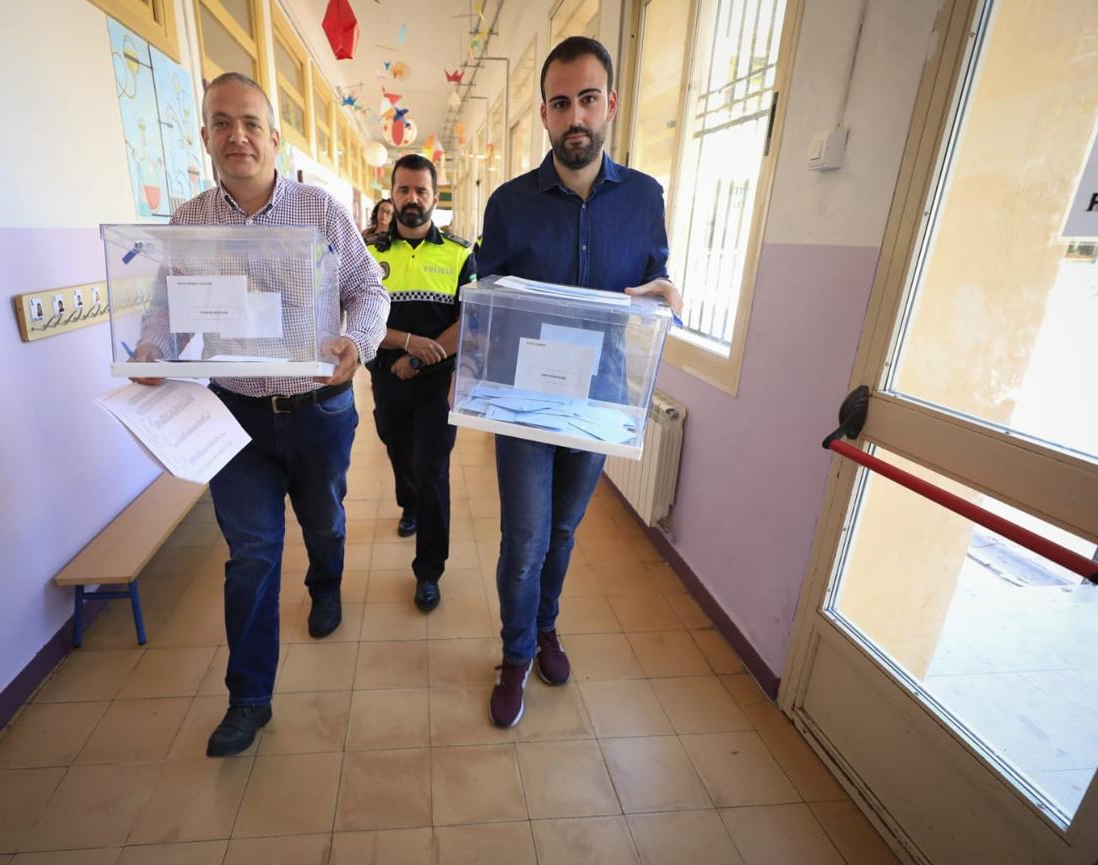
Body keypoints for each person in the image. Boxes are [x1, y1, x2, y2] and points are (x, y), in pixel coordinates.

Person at [130, 72, 388, 756]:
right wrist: (151, 349)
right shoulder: (189, 222)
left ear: (275, 136)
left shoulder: (321, 211)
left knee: (324, 520)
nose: (236, 135)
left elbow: (370, 289)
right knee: (250, 555)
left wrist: (355, 346)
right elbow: (164, 306)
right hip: (233, 416)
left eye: (250, 122)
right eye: (221, 122)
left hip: (319, 409)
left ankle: (326, 582)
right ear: (206, 136)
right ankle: (249, 699)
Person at [475, 37, 683, 728]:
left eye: (587, 99)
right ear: (543, 114)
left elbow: (655, 288)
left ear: (610, 104)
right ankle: (513, 653)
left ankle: (545, 629)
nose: (575, 117)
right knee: (526, 537)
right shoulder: (508, 204)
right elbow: (483, 296)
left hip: (600, 399)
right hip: (524, 401)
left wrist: (666, 298)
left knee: (564, 530)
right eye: (560, 103)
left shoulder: (646, 198)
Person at [366, 154, 475, 611]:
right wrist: (405, 343)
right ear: (392, 194)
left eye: (422, 191)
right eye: (405, 190)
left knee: (434, 472)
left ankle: (429, 570)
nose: (413, 199)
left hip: (437, 384)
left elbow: (470, 318)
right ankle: (407, 503)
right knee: (395, 446)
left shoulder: (460, 252)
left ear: (435, 196)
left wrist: (421, 358)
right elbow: (354, 315)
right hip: (386, 378)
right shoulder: (368, 253)